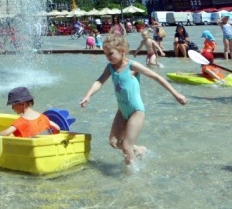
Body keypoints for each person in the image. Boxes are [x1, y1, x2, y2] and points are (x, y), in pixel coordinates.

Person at [79, 33, 187, 166]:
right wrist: (88, 95)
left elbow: (157, 77)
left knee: (125, 146)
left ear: (122, 51)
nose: (108, 57)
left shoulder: (132, 66)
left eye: (110, 53)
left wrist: (176, 95)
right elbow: (99, 82)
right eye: (105, 54)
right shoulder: (110, 68)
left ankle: (131, 176)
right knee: (114, 142)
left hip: (136, 111)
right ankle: (138, 150)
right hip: (122, 111)